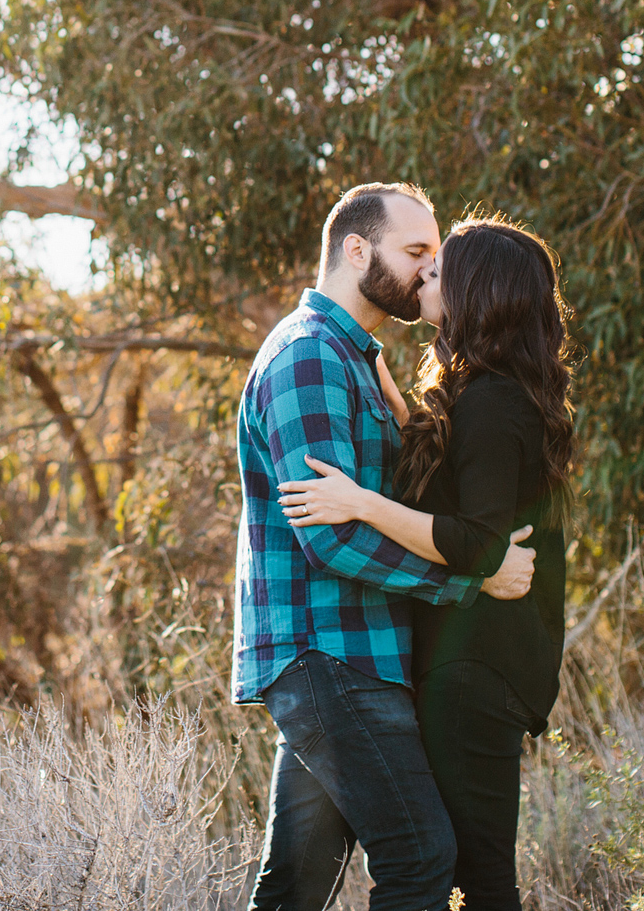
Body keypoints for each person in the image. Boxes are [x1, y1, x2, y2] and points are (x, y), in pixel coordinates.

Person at [233, 185, 537, 911]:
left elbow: (390, 494)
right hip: (330, 652)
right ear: (357, 250)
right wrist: (470, 582)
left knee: (297, 883)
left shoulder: (353, 358)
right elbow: (331, 540)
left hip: (358, 650)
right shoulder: (308, 357)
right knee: (420, 854)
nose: (431, 270)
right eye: (417, 253)